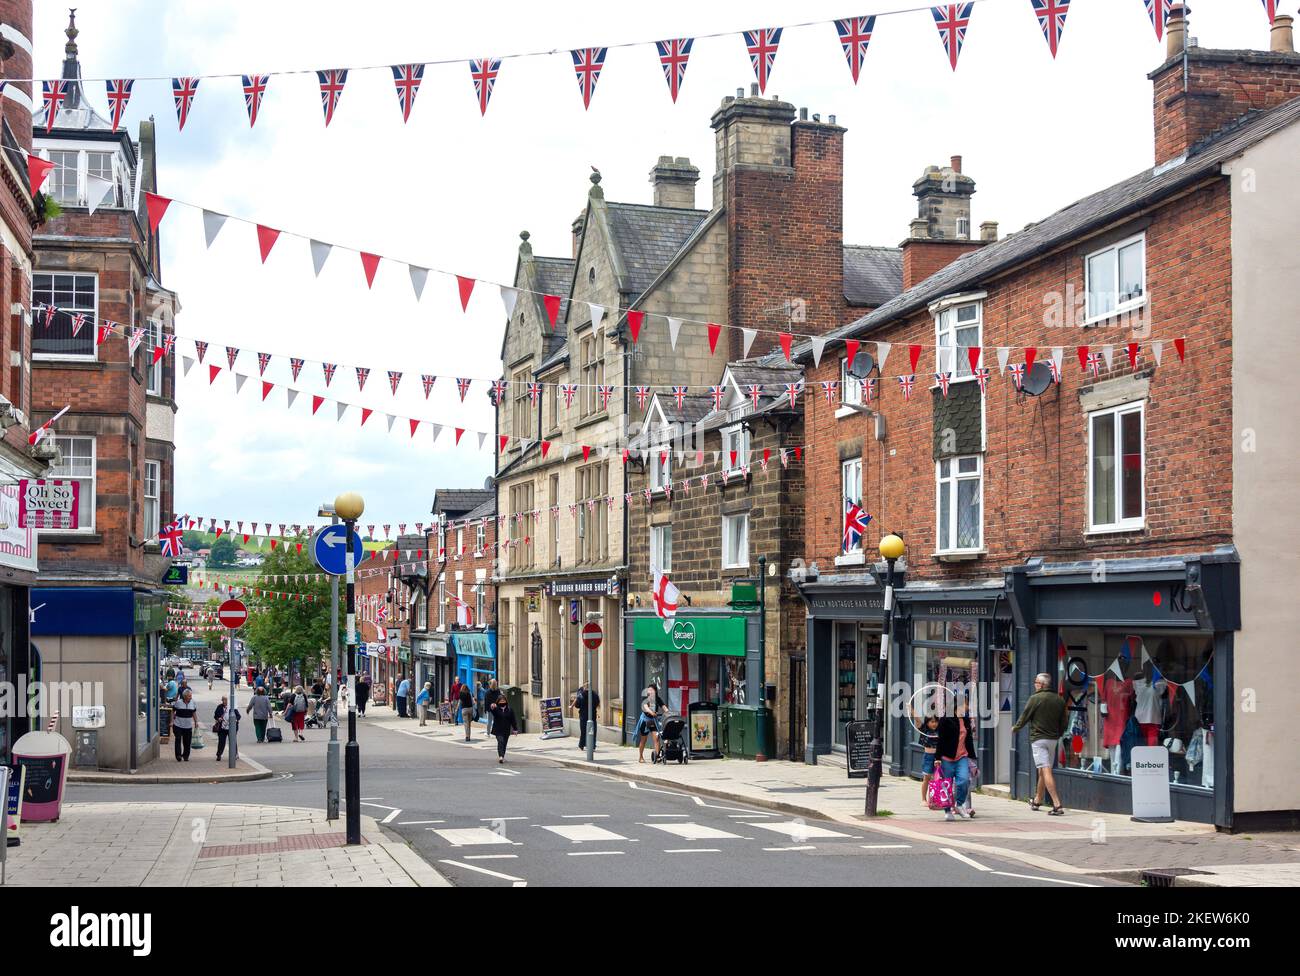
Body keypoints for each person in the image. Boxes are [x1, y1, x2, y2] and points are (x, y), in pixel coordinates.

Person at [1012, 671, 1069, 815]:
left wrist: (1015, 728)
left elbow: (1025, 716)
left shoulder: (1035, 698)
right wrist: (1059, 733)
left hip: (1039, 739)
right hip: (1053, 740)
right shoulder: (1059, 700)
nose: (1034, 684)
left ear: (1042, 685)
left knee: (1045, 770)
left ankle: (1057, 804)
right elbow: (1064, 722)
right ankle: (1037, 800)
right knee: (1042, 770)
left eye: (1036, 682)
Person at [936, 701, 977, 821]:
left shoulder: (965, 720)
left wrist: (972, 756)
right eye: (965, 704)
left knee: (964, 781)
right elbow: (941, 740)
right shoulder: (945, 719)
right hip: (947, 758)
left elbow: (968, 739)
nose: (967, 706)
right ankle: (948, 811)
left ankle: (959, 805)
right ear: (957, 705)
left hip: (962, 757)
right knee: (946, 786)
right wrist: (937, 758)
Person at [912, 707, 941, 803]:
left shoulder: (940, 730)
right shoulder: (924, 730)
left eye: (936, 722)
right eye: (932, 722)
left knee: (939, 778)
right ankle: (924, 799)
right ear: (927, 722)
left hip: (939, 757)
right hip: (928, 756)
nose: (934, 724)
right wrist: (911, 709)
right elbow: (917, 719)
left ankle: (936, 798)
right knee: (927, 778)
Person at [636, 684, 666, 763]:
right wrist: (651, 712)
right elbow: (645, 707)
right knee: (643, 740)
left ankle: (658, 756)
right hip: (645, 721)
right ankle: (641, 757)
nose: (650, 691)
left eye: (651, 690)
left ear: (655, 691)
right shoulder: (645, 699)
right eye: (649, 690)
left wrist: (668, 713)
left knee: (656, 738)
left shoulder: (657, 699)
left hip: (653, 720)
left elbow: (664, 707)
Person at [491, 694, 518, 764]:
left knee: (504, 744)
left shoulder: (510, 709)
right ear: (498, 702)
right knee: (501, 741)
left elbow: (513, 720)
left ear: (506, 701)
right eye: (501, 701)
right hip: (498, 729)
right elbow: (493, 711)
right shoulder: (496, 709)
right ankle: (501, 756)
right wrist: (492, 707)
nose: (502, 702)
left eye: (503, 701)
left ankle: (502, 756)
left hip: (506, 730)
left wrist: (515, 729)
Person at [172, 687, 198, 762]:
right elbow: (173, 711)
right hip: (178, 725)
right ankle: (178, 756)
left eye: (191, 695)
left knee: (187, 742)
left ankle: (186, 756)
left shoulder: (193, 703)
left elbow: (194, 713)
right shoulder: (178, 702)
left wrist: (196, 722)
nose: (191, 697)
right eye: (189, 696)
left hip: (188, 726)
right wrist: (171, 721)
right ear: (185, 696)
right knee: (178, 739)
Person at [573, 683, 601, 751]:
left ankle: (582, 745)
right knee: (592, 731)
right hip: (592, 716)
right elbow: (597, 703)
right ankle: (592, 745)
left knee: (583, 731)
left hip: (583, 716)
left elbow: (577, 705)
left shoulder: (581, 695)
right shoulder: (594, 694)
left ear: (585, 687)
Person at [213, 696, 239, 762]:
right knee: (221, 742)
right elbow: (215, 715)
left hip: (231, 728)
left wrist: (235, 719)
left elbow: (238, 716)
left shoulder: (232, 707)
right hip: (222, 728)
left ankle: (235, 754)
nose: (224, 701)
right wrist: (218, 718)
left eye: (226, 700)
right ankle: (219, 755)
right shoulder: (219, 707)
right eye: (223, 700)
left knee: (232, 741)